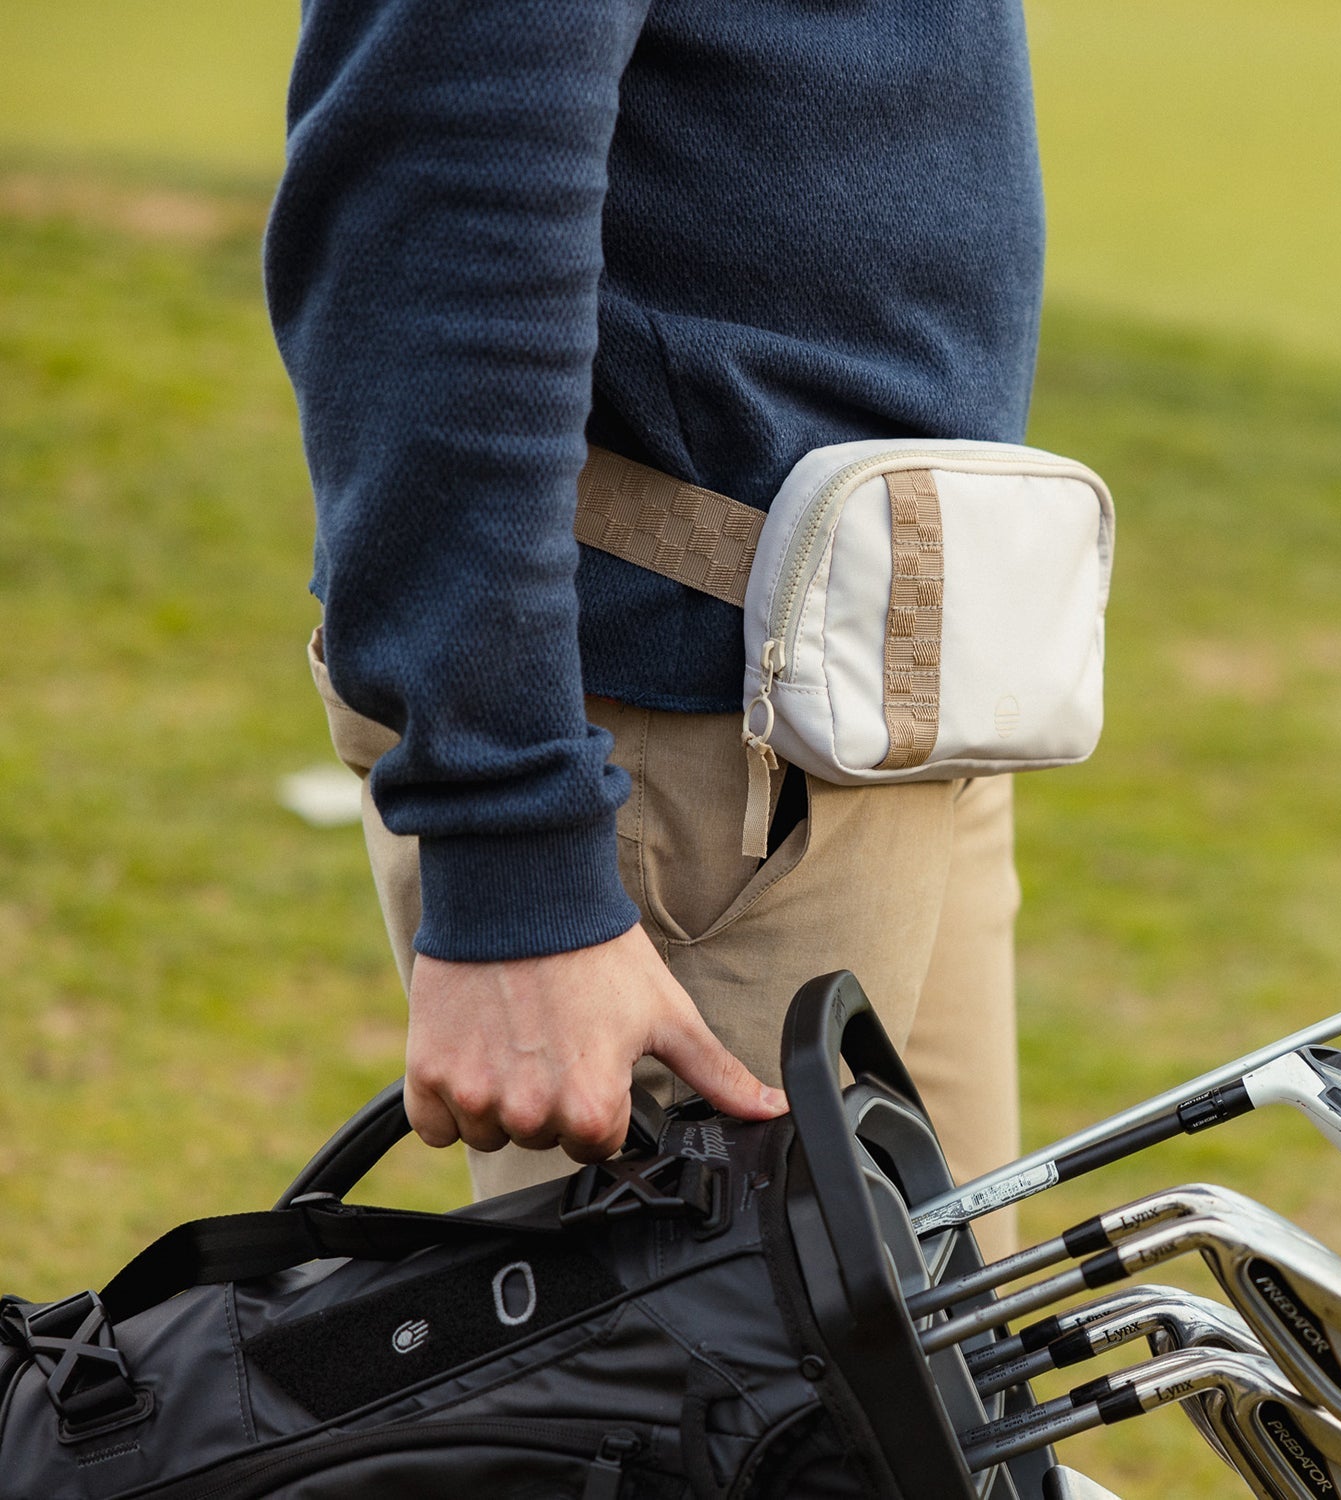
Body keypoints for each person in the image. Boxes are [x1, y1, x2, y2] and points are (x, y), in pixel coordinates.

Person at [265, 0, 1043, 1260]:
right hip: (687, 752)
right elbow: (435, 203)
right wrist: (509, 843)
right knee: (715, 1377)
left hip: (900, 709)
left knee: (946, 1362)